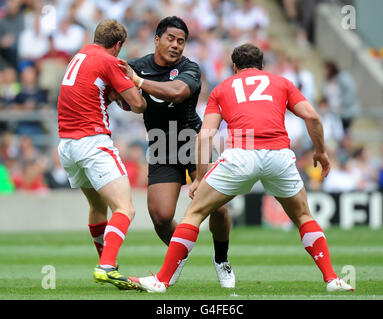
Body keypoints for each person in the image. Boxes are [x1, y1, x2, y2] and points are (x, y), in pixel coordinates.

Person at [129, 43, 354, 293]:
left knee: (193, 214)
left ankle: (162, 280)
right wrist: (321, 151)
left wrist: (199, 178)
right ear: (262, 65)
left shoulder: (222, 88)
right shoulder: (281, 83)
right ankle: (332, 279)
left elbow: (205, 136)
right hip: (279, 155)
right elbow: (312, 116)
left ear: (234, 67)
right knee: (303, 216)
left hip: (241, 155)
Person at [119, 16, 235, 288]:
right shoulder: (137, 66)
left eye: (181, 41)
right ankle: (179, 254)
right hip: (160, 144)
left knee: (216, 206)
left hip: (193, 139)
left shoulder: (190, 68)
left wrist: (137, 82)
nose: (175, 45)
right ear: (157, 39)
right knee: (160, 216)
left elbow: (177, 92)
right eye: (170, 39)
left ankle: (221, 259)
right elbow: (112, 83)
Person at [56, 19, 147, 290]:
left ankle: (107, 264)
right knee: (125, 208)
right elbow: (138, 105)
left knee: (97, 207)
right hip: (92, 142)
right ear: (117, 45)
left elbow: (95, 93)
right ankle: (106, 266)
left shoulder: (81, 55)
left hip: (68, 145)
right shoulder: (109, 61)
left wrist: (112, 94)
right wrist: (132, 81)